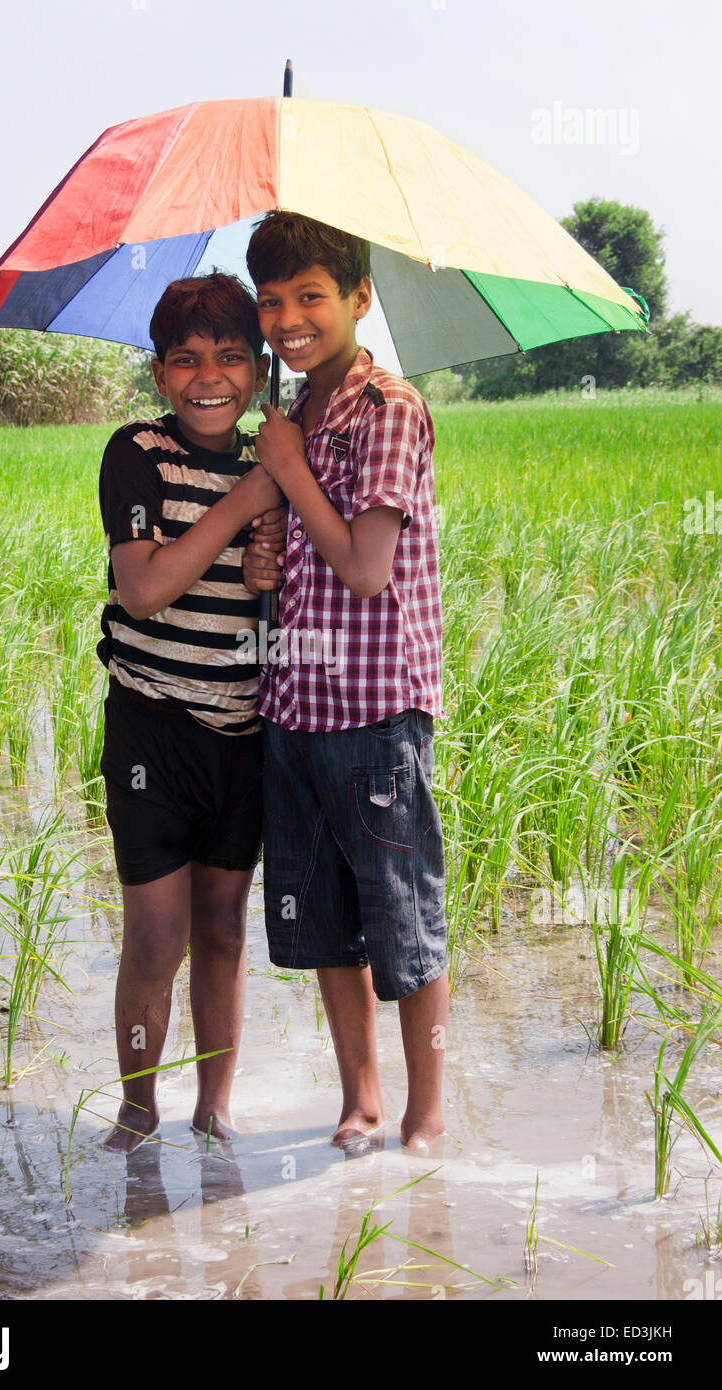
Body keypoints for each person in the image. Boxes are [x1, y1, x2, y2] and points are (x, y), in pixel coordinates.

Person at [243, 212, 448, 1155]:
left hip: (373, 711)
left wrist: (287, 469)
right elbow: (303, 559)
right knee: (325, 920)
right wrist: (267, 537)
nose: (289, 317)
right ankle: (360, 1101)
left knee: (402, 921)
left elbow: (367, 568)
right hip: (294, 703)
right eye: (273, 300)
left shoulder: (389, 408)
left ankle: (425, 1113)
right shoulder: (298, 416)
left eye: (311, 297)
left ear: (359, 299)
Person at [96, 273, 284, 1152]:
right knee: (157, 933)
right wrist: (244, 505)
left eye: (232, 356)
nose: (210, 375)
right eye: (187, 359)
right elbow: (143, 589)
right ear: (161, 374)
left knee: (221, 928)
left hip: (242, 732)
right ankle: (139, 1105)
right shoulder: (136, 452)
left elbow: (281, 596)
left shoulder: (273, 467)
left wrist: (268, 560)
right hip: (152, 728)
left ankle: (215, 1105)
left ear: (258, 368)